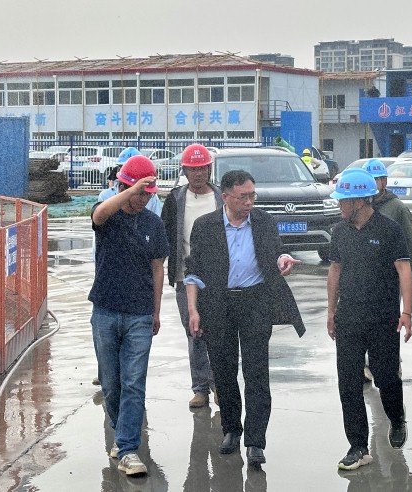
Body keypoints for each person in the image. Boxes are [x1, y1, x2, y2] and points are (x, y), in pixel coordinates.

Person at [185, 169, 305, 468]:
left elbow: (276, 251)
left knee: (256, 373)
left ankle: (255, 441)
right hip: (218, 304)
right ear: (225, 197)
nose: (249, 202)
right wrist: (193, 310)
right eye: (243, 197)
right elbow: (193, 271)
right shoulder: (205, 226)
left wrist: (282, 260)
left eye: (253, 196)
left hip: (255, 302)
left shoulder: (263, 221)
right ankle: (231, 429)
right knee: (224, 371)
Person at [327, 167, 412, 471]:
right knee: (348, 383)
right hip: (349, 317)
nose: (339, 205)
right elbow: (335, 270)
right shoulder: (339, 231)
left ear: (359, 201)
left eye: (343, 201)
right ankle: (358, 447)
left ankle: (397, 418)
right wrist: (331, 311)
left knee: (386, 377)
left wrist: (406, 312)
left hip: (383, 318)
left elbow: (404, 270)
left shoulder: (389, 230)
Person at [90, 155, 170, 477]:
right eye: (139, 194)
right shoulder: (108, 217)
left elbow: (157, 268)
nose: (143, 200)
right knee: (111, 385)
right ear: (123, 188)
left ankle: (127, 448)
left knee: (134, 382)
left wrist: (156, 310)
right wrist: (130, 190)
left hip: (139, 314)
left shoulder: (154, 225)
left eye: (148, 195)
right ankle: (120, 431)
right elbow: (99, 214)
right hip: (106, 310)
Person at [160, 143, 222, 409]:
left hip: (220, 278)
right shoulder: (175, 200)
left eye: (202, 169)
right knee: (194, 333)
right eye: (193, 169)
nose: (198, 174)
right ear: (184, 171)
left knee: (219, 333)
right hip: (186, 278)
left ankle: (220, 384)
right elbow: (164, 235)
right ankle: (200, 389)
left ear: (209, 169)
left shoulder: (221, 197)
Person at [361, 158, 412, 382]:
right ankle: (364, 366)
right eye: (369, 179)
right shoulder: (358, 207)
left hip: (389, 282)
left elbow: (409, 244)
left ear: (384, 181)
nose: (373, 184)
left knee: (387, 328)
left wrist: (408, 278)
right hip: (363, 281)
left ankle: (392, 367)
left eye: (377, 179)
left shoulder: (397, 209)